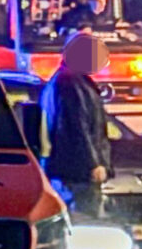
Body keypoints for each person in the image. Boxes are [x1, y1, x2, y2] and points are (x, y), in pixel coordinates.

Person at [40, 31, 112, 220]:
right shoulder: (70, 83)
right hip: (77, 172)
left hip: (73, 171)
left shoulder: (71, 80)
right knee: (86, 221)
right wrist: (93, 163)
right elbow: (77, 126)